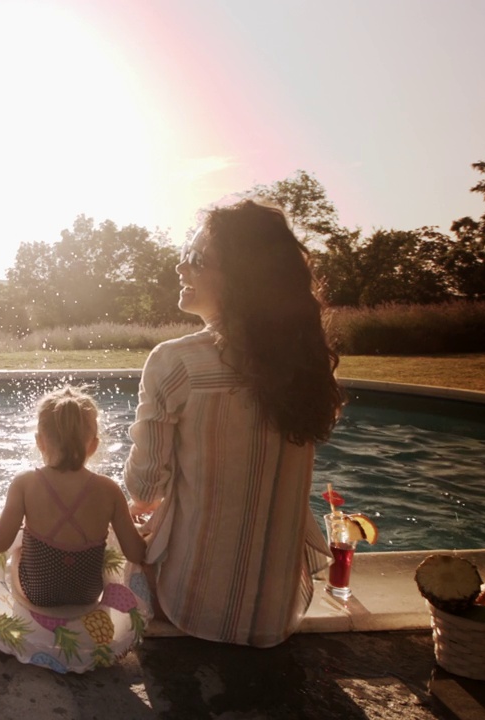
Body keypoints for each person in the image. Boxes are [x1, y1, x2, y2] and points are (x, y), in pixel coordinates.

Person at [124, 199, 343, 648]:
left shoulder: (176, 361)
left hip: (190, 608)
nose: (181, 268)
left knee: (97, 530)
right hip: (278, 615)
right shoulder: (306, 363)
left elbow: (145, 488)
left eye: (196, 259)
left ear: (240, 277)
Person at [0, 385, 146, 607]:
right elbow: (135, 553)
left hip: (36, 591)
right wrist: (149, 531)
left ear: (40, 441)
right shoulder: (109, 490)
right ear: (93, 445)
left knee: (17, 542)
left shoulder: (25, 484)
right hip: (87, 594)